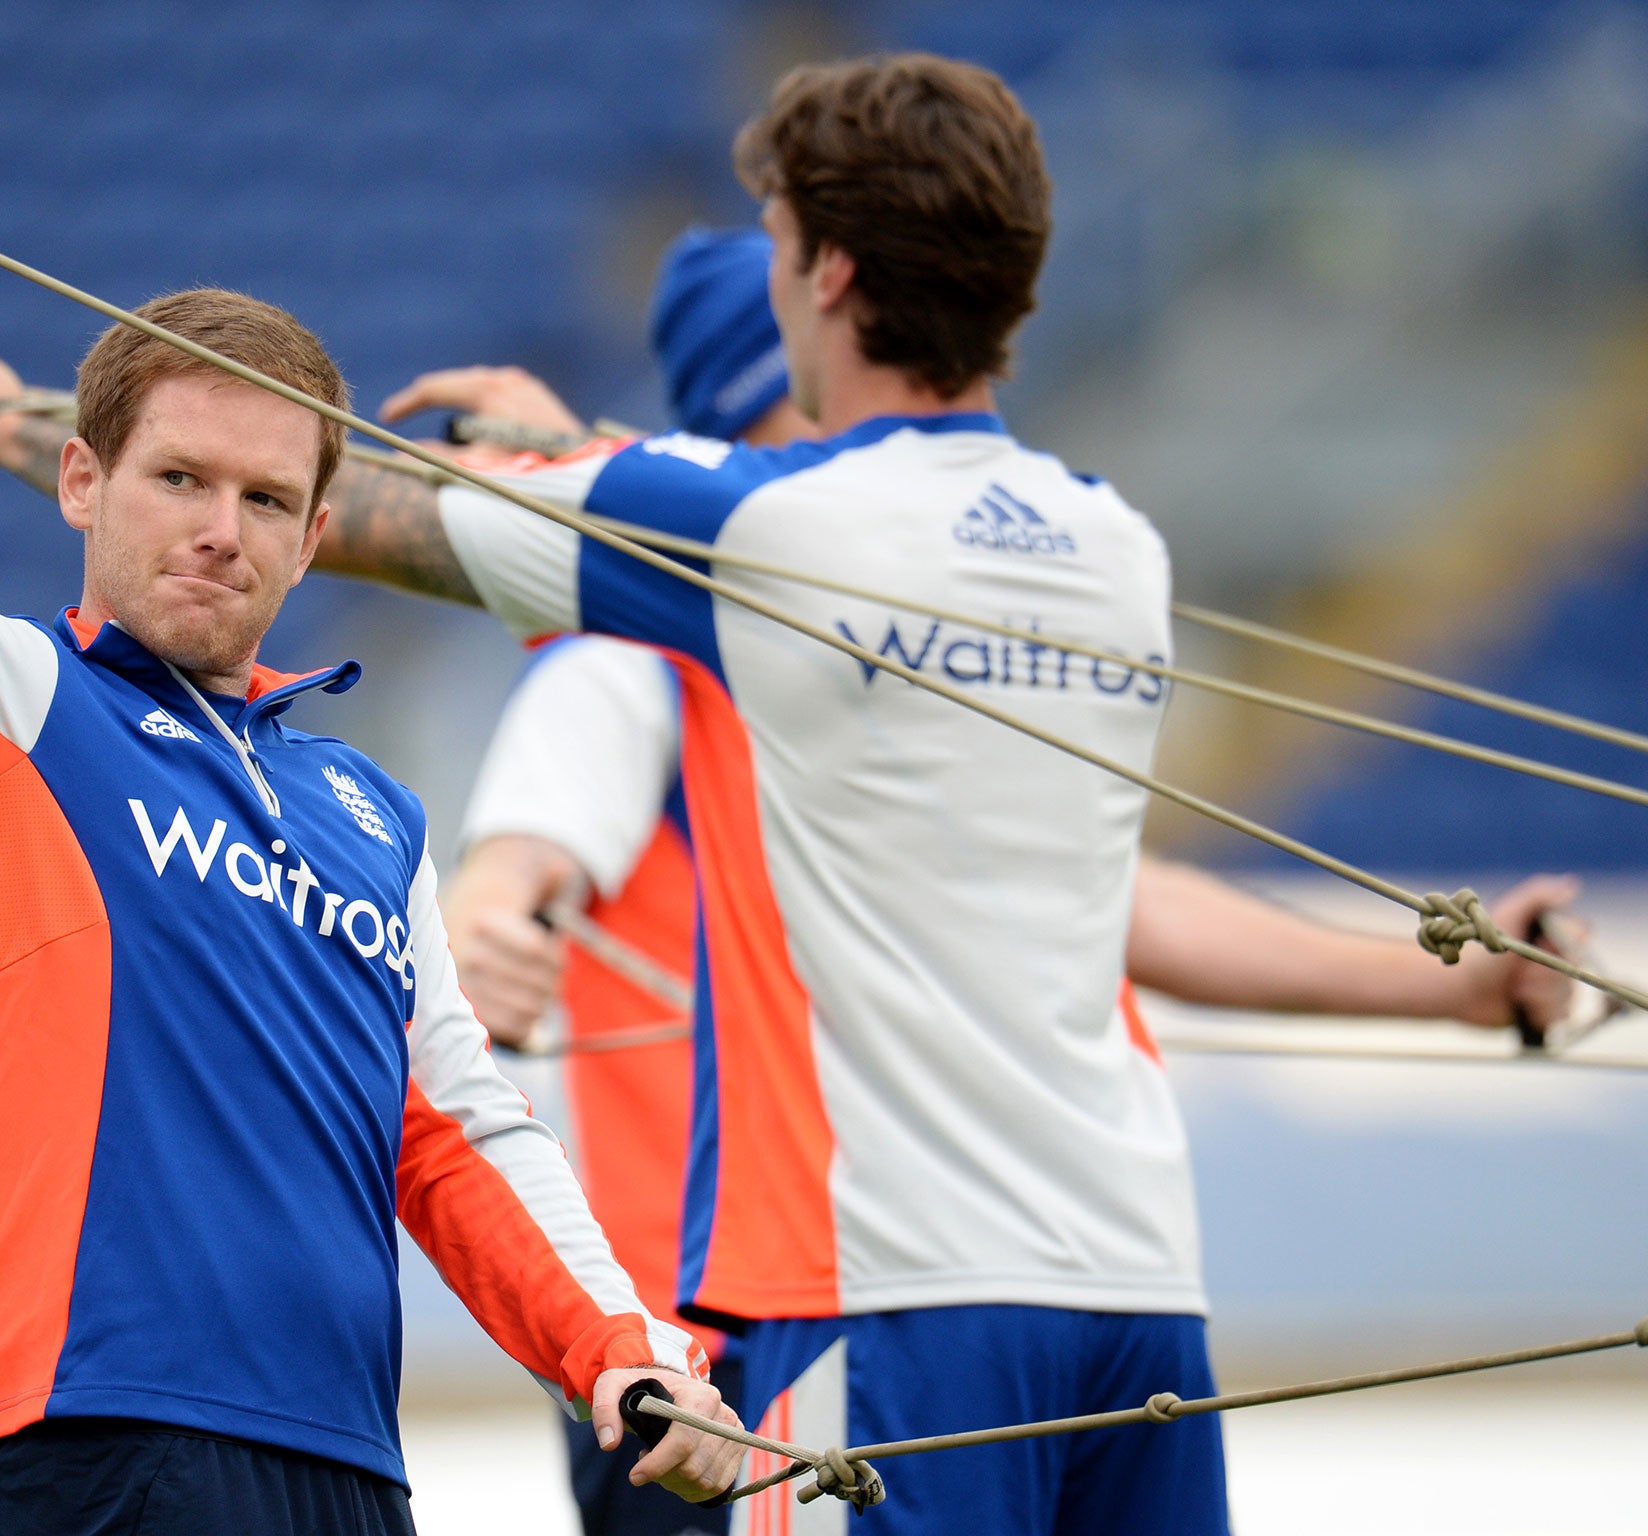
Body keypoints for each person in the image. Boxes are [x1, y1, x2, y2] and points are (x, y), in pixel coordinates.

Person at [305, 55, 1580, 1535]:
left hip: (878, 1293)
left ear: (830, 274)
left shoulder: (754, 536)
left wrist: (54, 439)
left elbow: (348, 522)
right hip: (1132, 1287)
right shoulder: (1114, 550)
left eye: (782, 242)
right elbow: (1104, 902)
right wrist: (1448, 988)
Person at [0, 48, 741, 1536]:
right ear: (81, 482)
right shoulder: (8, 698)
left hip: (352, 1476)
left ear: (311, 541)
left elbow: (460, 1132)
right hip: (95, 1450)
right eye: (180, 480)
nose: (223, 531)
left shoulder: (374, 816)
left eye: (268, 501)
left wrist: (621, 1351)